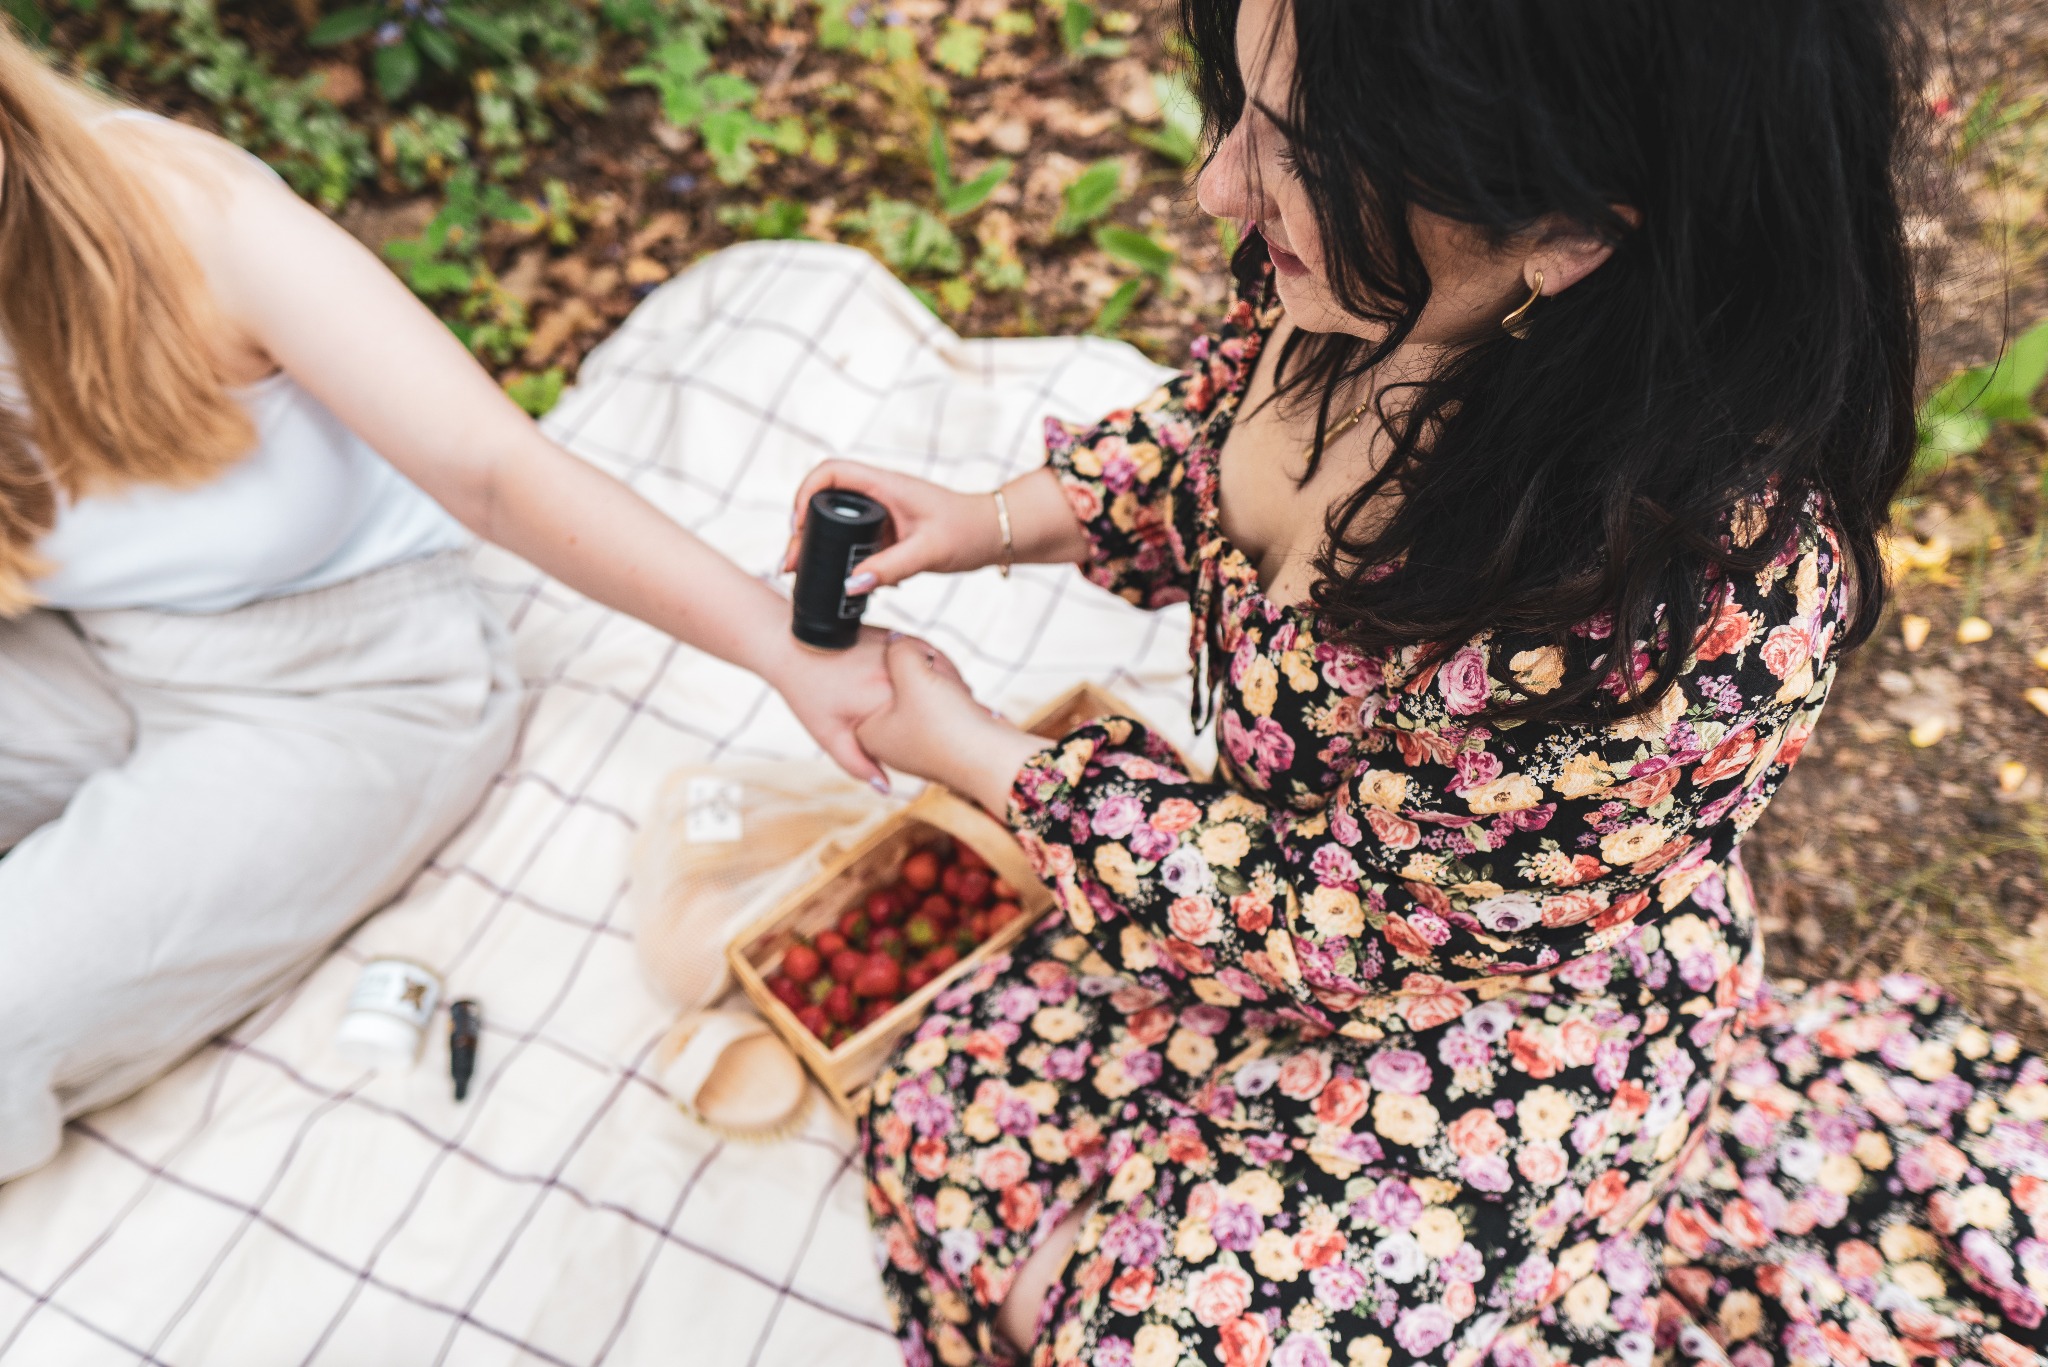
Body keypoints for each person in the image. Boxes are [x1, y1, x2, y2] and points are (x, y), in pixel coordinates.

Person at [796, 0, 2048, 1363]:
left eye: (1302, 154)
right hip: (1258, 891)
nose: (1218, 185)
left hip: (1494, 1012)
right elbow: (1212, 448)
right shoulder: (1351, 282)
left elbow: (1343, 921)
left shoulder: (1687, 611)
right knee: (937, 1125)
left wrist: (987, 758)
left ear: (1569, 230)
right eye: (1239, 111)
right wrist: (986, 518)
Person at [0, 27, 918, 1184]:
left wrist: (784, 648)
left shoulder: (184, 211)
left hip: (349, 680)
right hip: (79, 648)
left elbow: (494, 469)